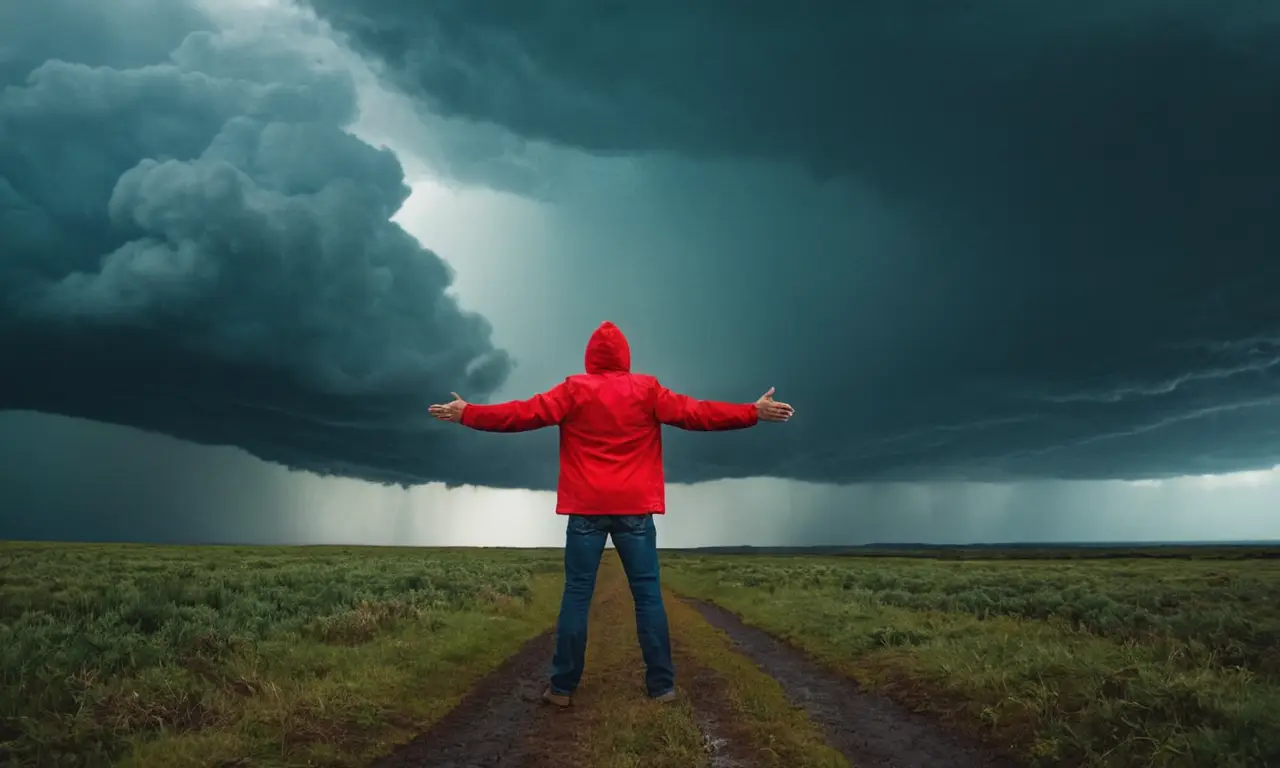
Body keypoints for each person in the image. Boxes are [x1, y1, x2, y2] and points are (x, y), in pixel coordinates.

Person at [428, 320, 793, 707]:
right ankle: (662, 687)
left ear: (590, 358)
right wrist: (752, 412)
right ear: (625, 357)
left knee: (576, 595)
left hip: (585, 509)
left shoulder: (573, 389)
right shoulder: (647, 389)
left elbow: (521, 414)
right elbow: (698, 413)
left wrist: (468, 412)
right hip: (635, 510)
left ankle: (562, 688)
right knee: (648, 596)